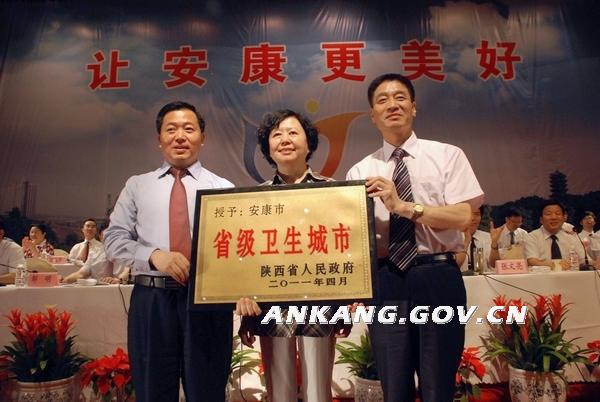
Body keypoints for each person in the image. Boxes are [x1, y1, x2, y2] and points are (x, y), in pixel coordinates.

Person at [346, 73, 484, 402]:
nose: (392, 105)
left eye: (400, 97)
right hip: (385, 280)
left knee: (439, 386)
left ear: (414, 107)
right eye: (382, 100)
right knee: (394, 386)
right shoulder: (359, 171)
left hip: (438, 276)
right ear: (373, 115)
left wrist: (403, 207)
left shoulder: (448, 155)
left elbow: (463, 216)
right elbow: (353, 238)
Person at [103, 101, 234, 402]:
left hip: (206, 302)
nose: (180, 136)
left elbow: (237, 248)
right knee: (153, 390)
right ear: (159, 139)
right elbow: (114, 239)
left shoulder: (223, 187)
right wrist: (153, 255)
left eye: (189, 129)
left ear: (202, 137)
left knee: (207, 390)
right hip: (152, 300)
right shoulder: (137, 186)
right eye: (171, 129)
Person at [236, 109, 350, 402]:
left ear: (309, 143)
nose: (285, 139)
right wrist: (246, 310)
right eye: (276, 135)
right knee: (279, 390)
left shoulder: (333, 191)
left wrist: (345, 304)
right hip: (271, 302)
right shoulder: (254, 199)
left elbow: (345, 250)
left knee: (318, 390)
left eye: (293, 132)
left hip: (320, 300)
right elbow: (246, 258)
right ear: (268, 149)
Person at [524, 200, 586, 269]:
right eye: (548, 214)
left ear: (564, 218)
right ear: (541, 220)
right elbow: (532, 261)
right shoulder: (532, 237)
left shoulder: (571, 234)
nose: (554, 217)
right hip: (543, 275)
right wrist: (556, 265)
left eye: (558, 213)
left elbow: (582, 260)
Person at [62, 218, 113, 283]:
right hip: (98, 285)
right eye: (88, 226)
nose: (90, 229)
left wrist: (120, 280)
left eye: (93, 227)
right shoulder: (94, 254)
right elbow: (81, 274)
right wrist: (63, 280)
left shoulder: (124, 253)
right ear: (100, 236)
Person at [456, 206, 492, 273]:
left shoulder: (488, 237)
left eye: (477, 214)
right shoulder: (453, 238)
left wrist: (495, 245)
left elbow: (493, 265)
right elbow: (453, 266)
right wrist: (466, 242)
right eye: (469, 214)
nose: (473, 218)